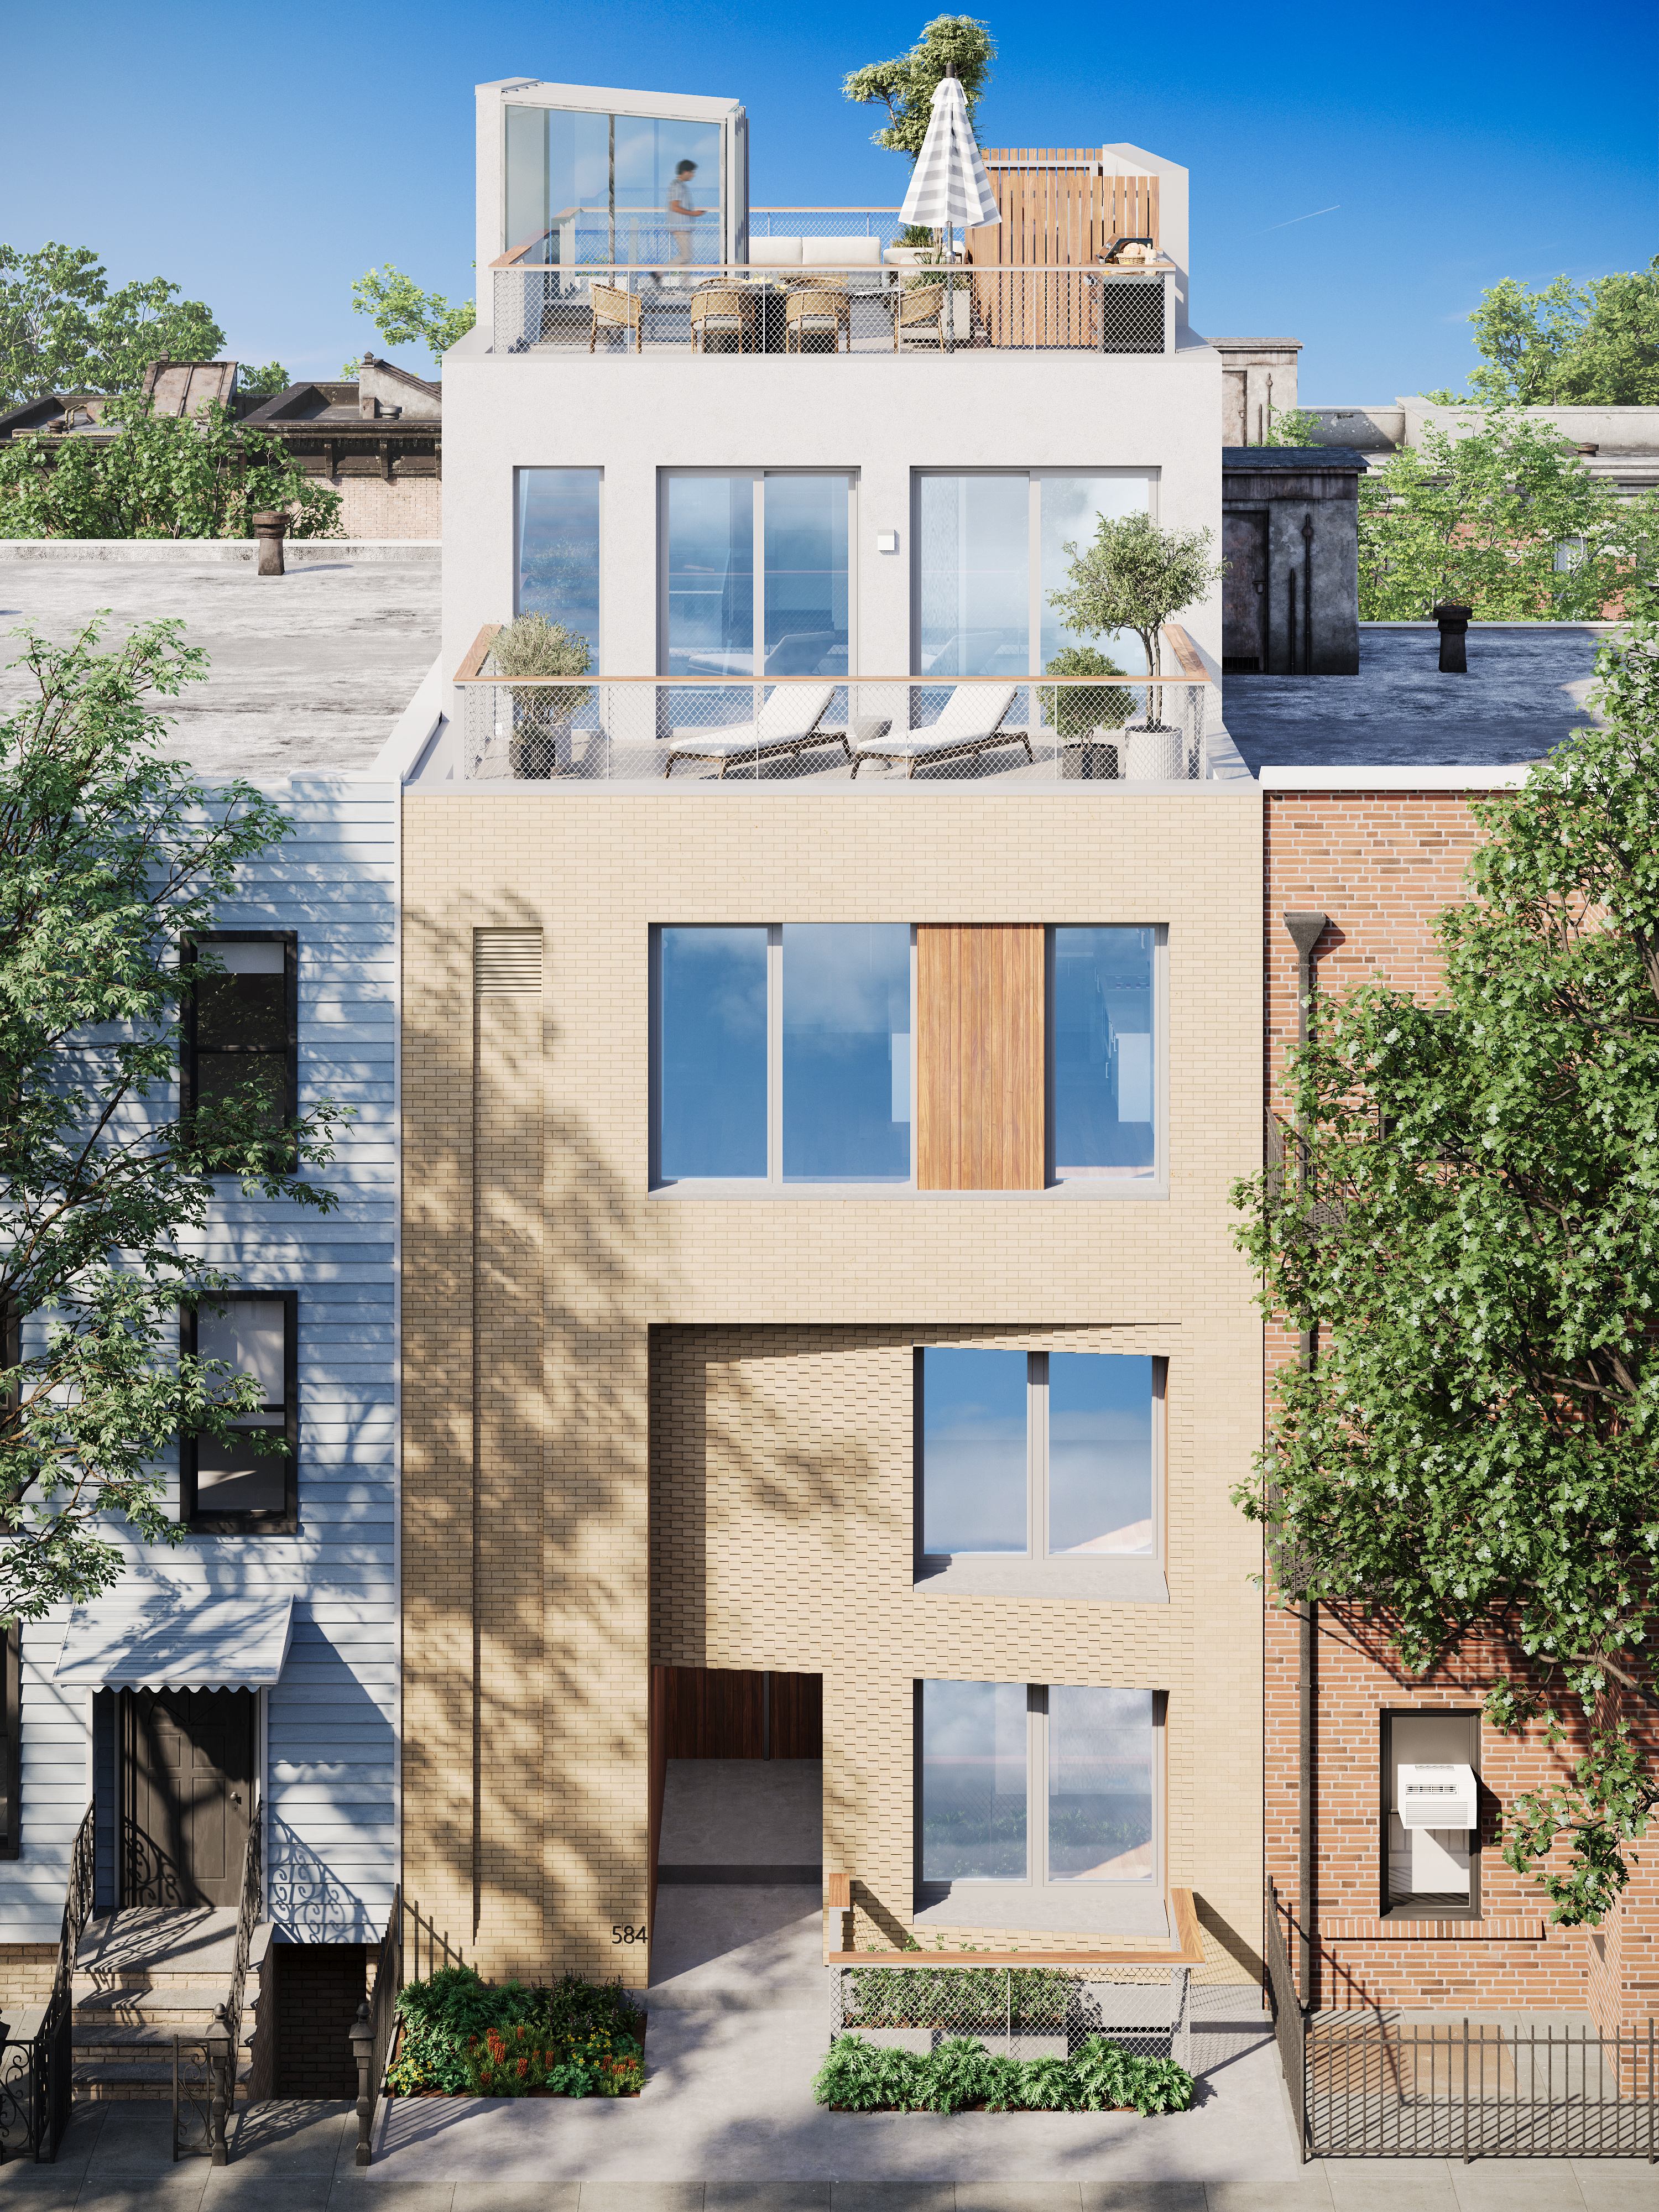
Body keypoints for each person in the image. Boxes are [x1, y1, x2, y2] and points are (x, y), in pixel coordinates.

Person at [666, 159, 707, 274]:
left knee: (687, 259)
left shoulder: (680, 186)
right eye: (691, 172)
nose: (693, 175)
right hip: (680, 227)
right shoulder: (677, 186)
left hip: (684, 226)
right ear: (685, 172)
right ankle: (659, 272)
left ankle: (686, 286)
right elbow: (675, 207)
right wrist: (694, 214)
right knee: (686, 256)